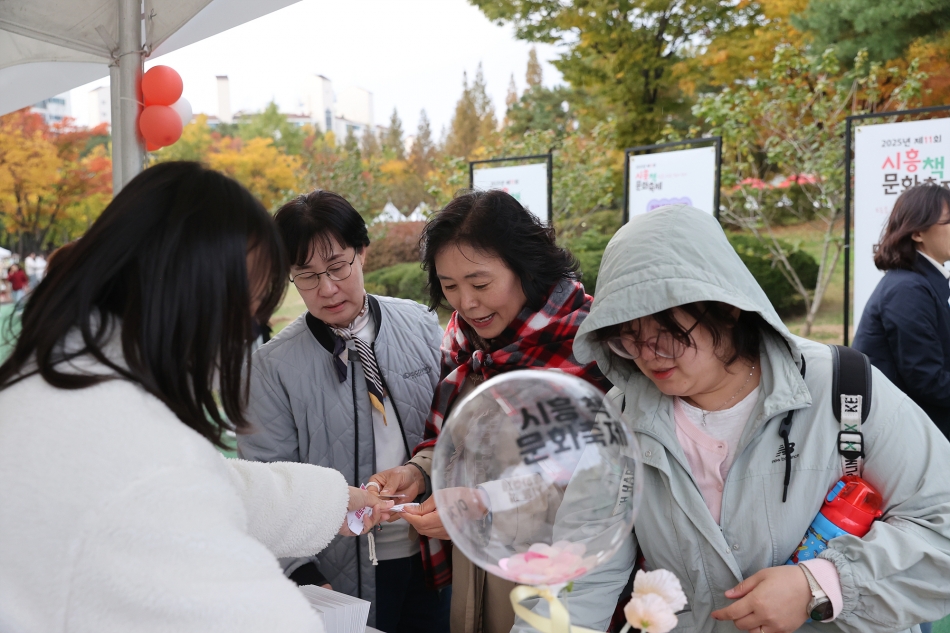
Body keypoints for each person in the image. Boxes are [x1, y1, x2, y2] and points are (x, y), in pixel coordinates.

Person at [0, 162, 392, 633]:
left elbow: (213, 486)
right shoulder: (143, 468)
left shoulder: (61, 382)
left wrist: (332, 500)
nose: (240, 344)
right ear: (197, 302)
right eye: (247, 322)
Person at [532, 204, 950, 633]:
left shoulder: (843, 389)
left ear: (728, 308)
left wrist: (821, 584)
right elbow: (581, 575)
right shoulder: (621, 418)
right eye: (629, 337)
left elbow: (941, 527)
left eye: (668, 332)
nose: (647, 354)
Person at [369, 189, 610, 633]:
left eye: (480, 284)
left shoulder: (588, 347)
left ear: (526, 268)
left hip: (560, 585)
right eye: (449, 286)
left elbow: (594, 482)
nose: (466, 303)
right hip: (477, 574)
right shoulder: (467, 342)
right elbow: (462, 438)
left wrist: (483, 505)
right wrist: (421, 472)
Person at [236, 190, 446, 633]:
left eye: (337, 266)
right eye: (307, 276)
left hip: (435, 555)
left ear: (361, 252)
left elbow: (451, 434)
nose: (327, 288)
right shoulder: (271, 369)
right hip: (340, 575)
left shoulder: (423, 326)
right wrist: (303, 573)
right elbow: (267, 479)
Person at [853, 184, 950, 440]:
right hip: (906, 438)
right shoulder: (908, 289)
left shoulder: (920, 282)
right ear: (918, 232)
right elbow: (927, 380)